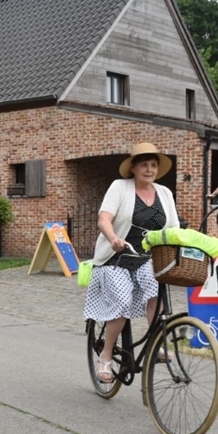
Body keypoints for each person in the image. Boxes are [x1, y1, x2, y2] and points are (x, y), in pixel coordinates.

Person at [84, 142, 181, 383]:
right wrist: (113, 238)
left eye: (153, 165)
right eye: (144, 165)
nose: (149, 170)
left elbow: (174, 229)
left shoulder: (165, 193)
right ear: (134, 168)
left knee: (156, 291)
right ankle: (106, 356)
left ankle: (155, 344)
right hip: (116, 256)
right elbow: (104, 219)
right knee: (122, 299)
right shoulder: (120, 187)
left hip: (146, 257)